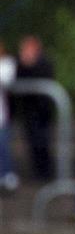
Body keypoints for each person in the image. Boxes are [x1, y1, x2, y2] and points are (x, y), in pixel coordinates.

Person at [15, 35, 54, 180]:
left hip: (42, 110)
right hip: (28, 110)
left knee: (42, 142)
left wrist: (31, 65)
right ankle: (38, 172)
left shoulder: (45, 63)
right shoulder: (19, 63)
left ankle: (46, 173)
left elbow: (46, 78)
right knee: (31, 141)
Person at [0, 40, 19, 192]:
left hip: (1, 116)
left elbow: (5, 79)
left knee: (3, 147)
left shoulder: (7, 63)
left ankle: (7, 176)